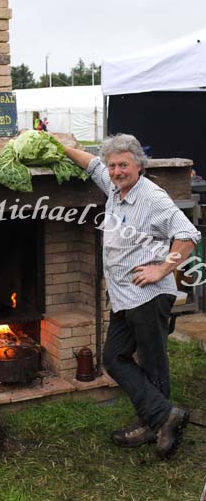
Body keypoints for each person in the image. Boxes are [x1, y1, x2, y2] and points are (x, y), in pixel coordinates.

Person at [62, 133, 201, 459]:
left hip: (149, 294)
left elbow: (187, 234)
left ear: (138, 165)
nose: (116, 171)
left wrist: (160, 270)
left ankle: (158, 426)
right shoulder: (113, 186)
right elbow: (91, 163)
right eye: (113, 166)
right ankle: (161, 416)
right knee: (114, 356)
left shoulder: (152, 197)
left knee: (153, 364)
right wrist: (58, 148)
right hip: (124, 295)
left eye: (123, 164)